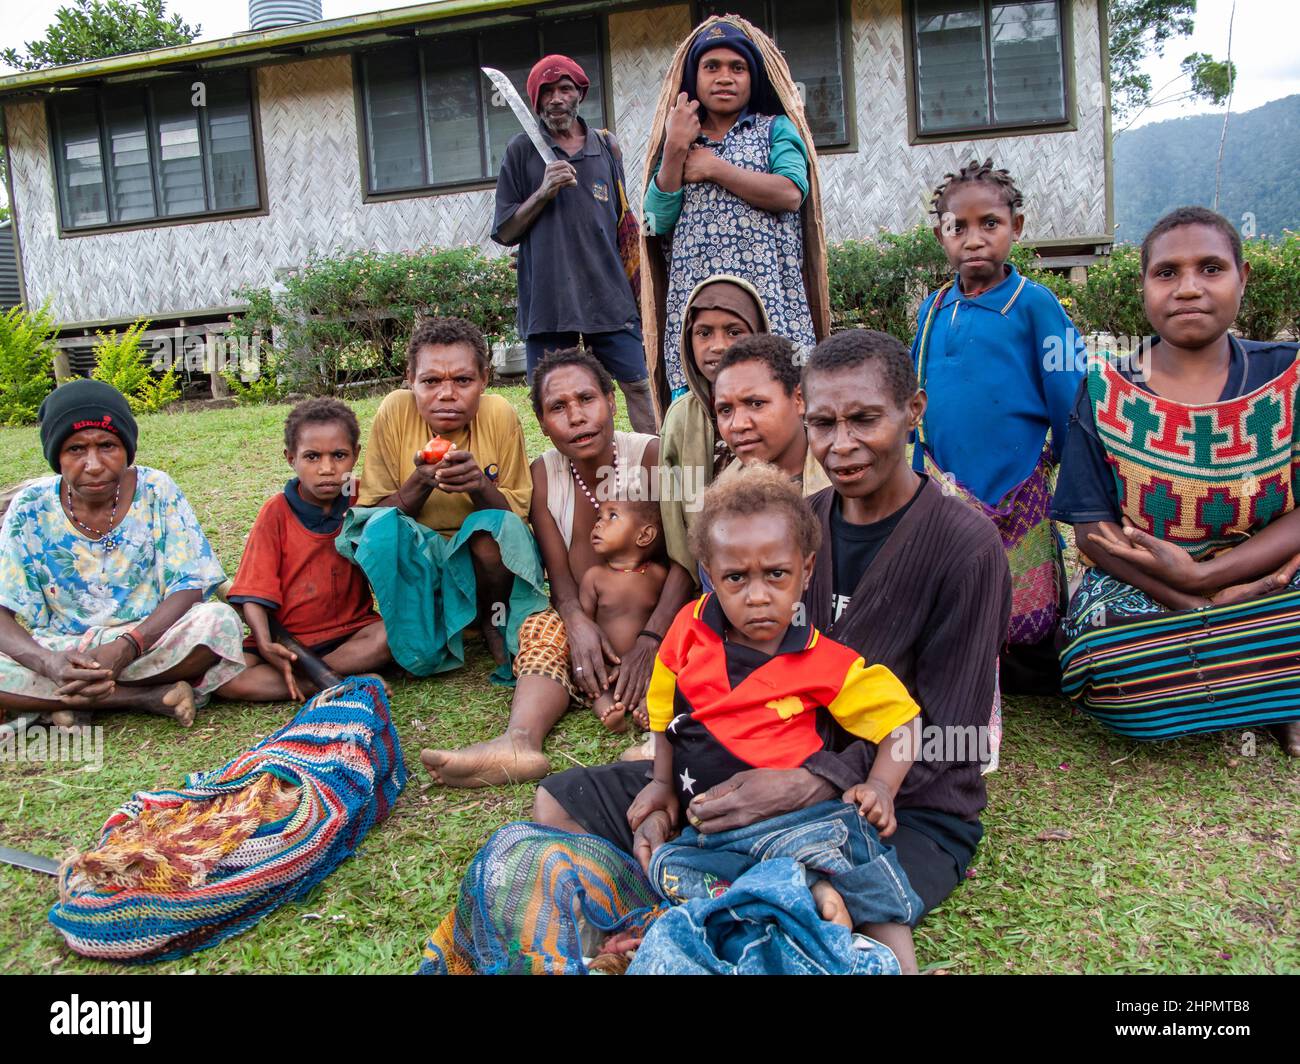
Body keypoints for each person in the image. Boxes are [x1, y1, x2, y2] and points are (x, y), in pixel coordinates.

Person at [536, 329, 1011, 923]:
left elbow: (952, 739)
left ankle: (709, 899)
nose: (842, 445)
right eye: (823, 423)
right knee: (558, 805)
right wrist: (670, 785)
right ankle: (656, 898)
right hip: (751, 760)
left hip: (896, 803)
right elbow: (715, 662)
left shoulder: (964, 548)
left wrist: (817, 781)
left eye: (865, 419)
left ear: (913, 411)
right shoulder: (797, 529)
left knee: (810, 912)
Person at [626, 463, 924, 969]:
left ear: (806, 571)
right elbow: (663, 704)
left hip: (806, 822)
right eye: (736, 578)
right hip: (715, 834)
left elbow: (903, 722)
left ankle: (895, 963)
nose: (758, 595)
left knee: (867, 866)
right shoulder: (690, 629)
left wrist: (881, 788)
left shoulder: (822, 659)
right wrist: (660, 783)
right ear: (709, 572)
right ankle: (805, 893)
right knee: (670, 868)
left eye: (777, 575)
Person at [1052, 207, 1300, 755]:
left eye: (1211, 268)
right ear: (1143, 287)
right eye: (1166, 273)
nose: (1188, 288)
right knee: (1099, 650)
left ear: (1243, 278)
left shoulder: (1290, 373)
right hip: (1146, 587)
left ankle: (1267, 699)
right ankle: (1276, 691)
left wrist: (1214, 573)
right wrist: (1191, 597)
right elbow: (1093, 531)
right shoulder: (1105, 388)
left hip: (1275, 575)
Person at [420, 349, 694, 787]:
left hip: (663, 618)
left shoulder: (654, 456)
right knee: (540, 628)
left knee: (702, 634)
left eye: (587, 399)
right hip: (592, 622)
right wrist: (578, 626)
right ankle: (520, 741)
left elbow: (689, 556)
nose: (576, 417)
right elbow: (561, 581)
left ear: (612, 400)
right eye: (558, 408)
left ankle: (664, 735)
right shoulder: (544, 474)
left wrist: (651, 639)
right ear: (543, 423)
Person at [911, 158, 1085, 694]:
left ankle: (1027, 671)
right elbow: (917, 391)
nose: (974, 239)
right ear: (940, 233)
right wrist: (918, 469)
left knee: (1024, 599)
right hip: (945, 481)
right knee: (953, 581)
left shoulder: (1035, 305)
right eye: (957, 227)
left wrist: (1073, 467)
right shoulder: (934, 307)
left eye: (990, 223)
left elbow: (1068, 392)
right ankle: (963, 660)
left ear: (1017, 228)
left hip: (1016, 478)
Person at [0, 379, 245, 728]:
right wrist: (48, 663)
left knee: (218, 624)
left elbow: (189, 585)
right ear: (56, 455)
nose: (94, 464)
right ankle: (142, 698)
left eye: (107, 445)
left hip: (147, 640)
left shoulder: (157, 490)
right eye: (75, 450)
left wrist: (127, 645)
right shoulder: (29, 506)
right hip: (62, 651)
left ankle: (63, 701)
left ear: (127, 449)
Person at [641, 15, 829, 410]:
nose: (724, 77)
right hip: (698, 307)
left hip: (771, 298)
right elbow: (656, 221)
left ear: (753, 77)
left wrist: (713, 168)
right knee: (703, 411)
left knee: (776, 395)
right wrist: (675, 149)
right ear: (695, 78)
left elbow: (791, 193)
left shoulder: (775, 129)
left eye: (737, 68)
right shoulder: (678, 141)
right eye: (712, 67)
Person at [351, 317, 537, 673]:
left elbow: (517, 519)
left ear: (484, 378)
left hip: (485, 567)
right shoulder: (394, 411)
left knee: (490, 533)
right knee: (381, 533)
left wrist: (479, 485)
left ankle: (492, 619)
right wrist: (419, 482)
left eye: (463, 380)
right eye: (431, 381)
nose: (447, 394)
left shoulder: (499, 414)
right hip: (423, 562)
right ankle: (424, 618)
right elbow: (372, 518)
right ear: (410, 378)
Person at [491, 54, 658, 435]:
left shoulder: (605, 146)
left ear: (579, 93)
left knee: (640, 384)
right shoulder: (522, 150)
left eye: (564, 88)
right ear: (535, 102)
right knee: (553, 397)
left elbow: (622, 223)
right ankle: (570, 482)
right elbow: (505, 231)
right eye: (546, 92)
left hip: (609, 293)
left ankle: (655, 474)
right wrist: (543, 192)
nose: (555, 98)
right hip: (550, 300)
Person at [218, 399, 389, 702]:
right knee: (226, 680)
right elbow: (253, 593)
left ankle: (320, 678)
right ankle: (336, 680)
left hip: (352, 632)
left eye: (339, 455)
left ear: (356, 455)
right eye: (312, 457)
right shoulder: (276, 512)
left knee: (389, 638)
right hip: (290, 642)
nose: (327, 469)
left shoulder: (362, 499)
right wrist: (265, 643)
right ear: (290, 458)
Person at [659, 274, 768, 578]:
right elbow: (675, 522)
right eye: (704, 333)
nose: (718, 346)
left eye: (734, 332)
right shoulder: (681, 417)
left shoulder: (785, 410)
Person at [580, 497, 668, 733]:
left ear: (644, 535)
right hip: (608, 667)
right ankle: (610, 714)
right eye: (599, 517)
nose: (598, 524)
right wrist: (601, 665)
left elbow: (668, 623)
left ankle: (645, 709)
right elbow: (585, 628)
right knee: (599, 691)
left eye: (612, 516)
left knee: (658, 684)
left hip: (648, 666)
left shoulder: (658, 576)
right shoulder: (594, 577)